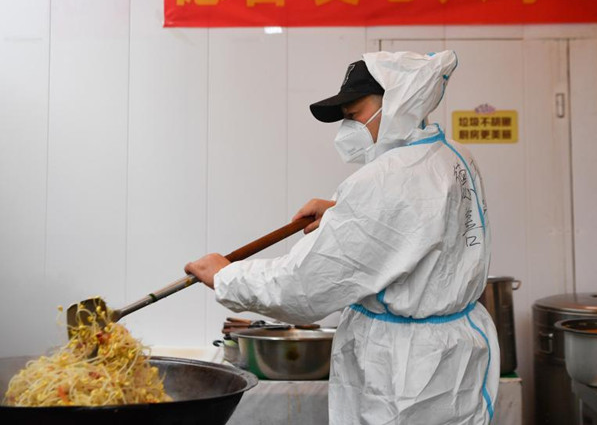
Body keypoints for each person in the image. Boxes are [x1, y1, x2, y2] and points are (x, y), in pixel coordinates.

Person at [186, 50, 499, 424]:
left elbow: (302, 287)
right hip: (452, 357)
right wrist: (342, 210)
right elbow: (418, 226)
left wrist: (224, 275)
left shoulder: (383, 182)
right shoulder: (451, 155)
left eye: (354, 115)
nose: (348, 129)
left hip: (404, 374)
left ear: (399, 100)